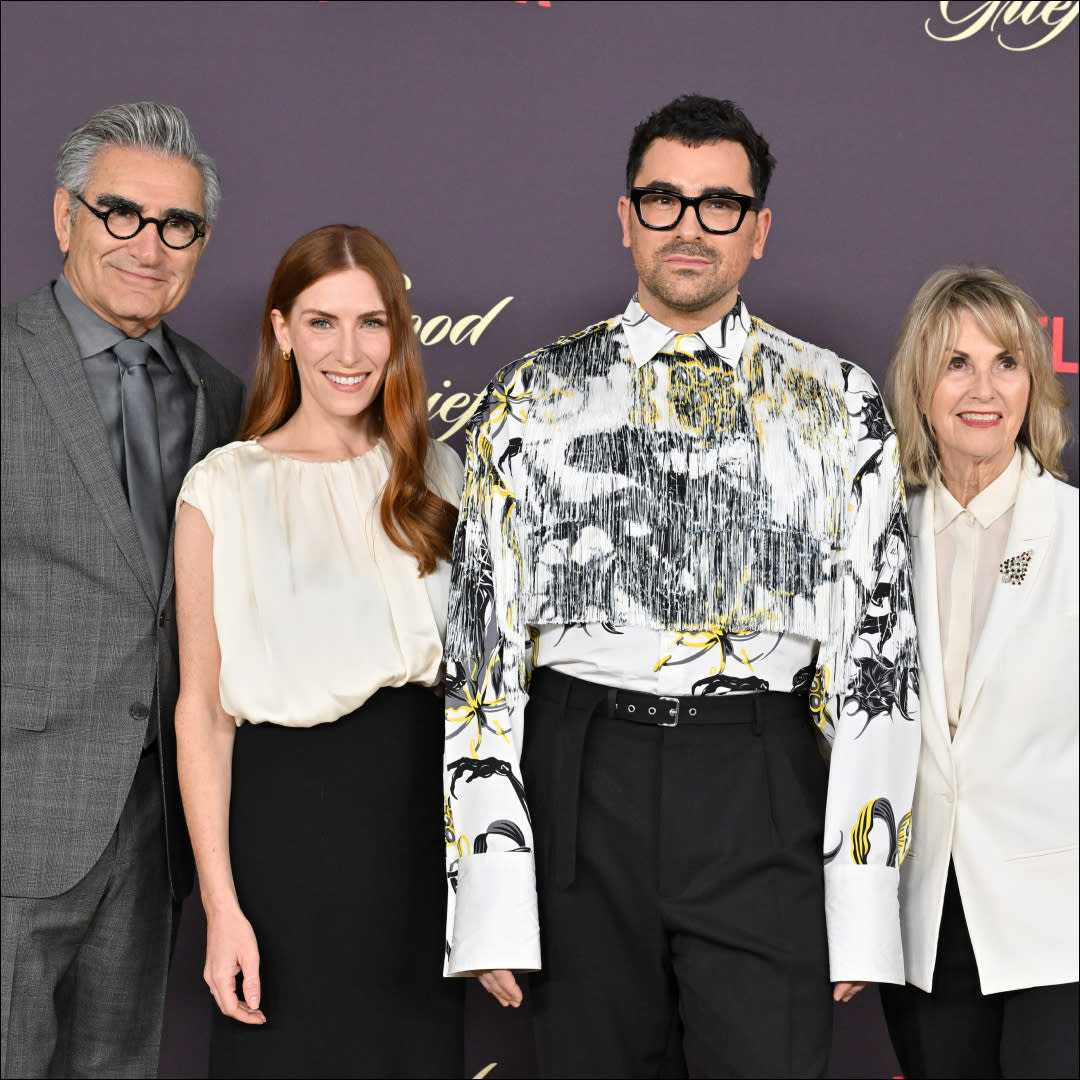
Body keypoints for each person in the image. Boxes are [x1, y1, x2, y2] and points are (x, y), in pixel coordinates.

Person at [441, 93, 921, 1077]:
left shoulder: (839, 401)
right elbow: (481, 657)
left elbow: (879, 659)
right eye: (663, 200)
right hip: (582, 784)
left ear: (759, 230)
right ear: (625, 219)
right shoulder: (530, 399)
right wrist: (486, 890)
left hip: (762, 787)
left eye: (719, 204)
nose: (690, 227)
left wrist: (864, 898)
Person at [174, 224, 466, 1078]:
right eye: (321, 322)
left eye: (372, 323)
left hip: (420, 838)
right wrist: (222, 908)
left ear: (397, 335)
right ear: (281, 332)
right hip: (285, 839)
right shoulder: (224, 486)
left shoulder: (440, 477)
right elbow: (202, 712)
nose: (349, 349)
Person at [1, 102, 244, 1078]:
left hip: (154, 838)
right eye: (122, 215)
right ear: (65, 218)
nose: (150, 244)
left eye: (176, 223)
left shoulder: (223, 396)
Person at [880, 265, 1078, 1079]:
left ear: (1035, 383)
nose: (982, 388)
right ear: (921, 386)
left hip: (1059, 922)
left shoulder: (1072, 531)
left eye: (1006, 361)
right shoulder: (878, 538)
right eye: (956, 363)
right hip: (922, 922)